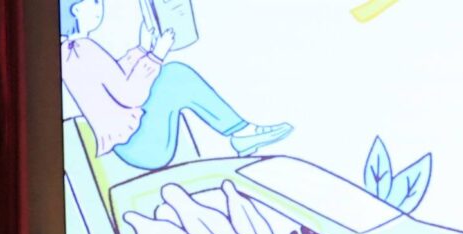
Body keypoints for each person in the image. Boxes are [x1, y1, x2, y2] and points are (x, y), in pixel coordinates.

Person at [58, 0, 291, 172]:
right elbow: (131, 95)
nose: (100, 7)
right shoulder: (82, 49)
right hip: (140, 145)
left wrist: (142, 50)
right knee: (173, 75)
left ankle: (240, 131)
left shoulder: (72, 51)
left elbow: (112, 80)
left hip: (131, 143)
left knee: (170, 75)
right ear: (76, 10)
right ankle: (241, 132)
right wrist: (156, 56)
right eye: (94, 2)